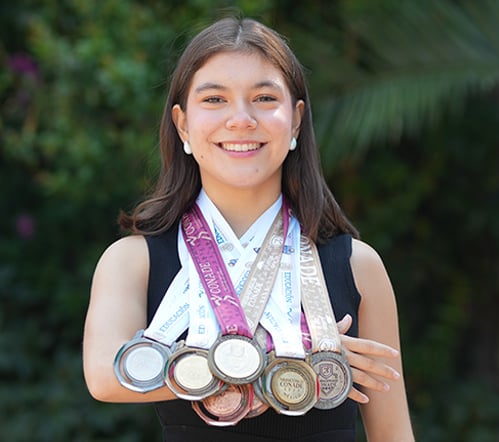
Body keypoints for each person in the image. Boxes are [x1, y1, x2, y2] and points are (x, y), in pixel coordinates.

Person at [83, 16, 414, 442]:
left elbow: (393, 434)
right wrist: (293, 360)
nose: (240, 119)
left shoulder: (358, 265)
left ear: (295, 121)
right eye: (215, 99)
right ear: (182, 124)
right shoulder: (133, 260)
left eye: (262, 97)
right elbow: (106, 377)